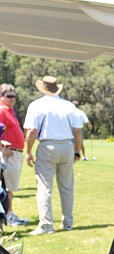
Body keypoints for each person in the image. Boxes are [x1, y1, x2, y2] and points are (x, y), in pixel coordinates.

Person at [23, 75, 84, 235]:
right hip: (67, 145)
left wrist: (28, 151)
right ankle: (68, 222)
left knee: (44, 187)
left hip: (47, 146)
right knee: (67, 187)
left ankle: (46, 225)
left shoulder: (37, 105)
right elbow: (78, 132)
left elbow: (32, 131)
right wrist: (77, 151)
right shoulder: (69, 106)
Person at [0, 84, 29, 225]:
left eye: (14, 96)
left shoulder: (9, 111)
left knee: (10, 186)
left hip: (15, 152)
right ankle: (8, 215)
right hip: (8, 154)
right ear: (1, 97)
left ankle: (9, 213)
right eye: (8, 96)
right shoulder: (2, 111)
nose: (12, 99)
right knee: (7, 187)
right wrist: (3, 149)